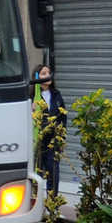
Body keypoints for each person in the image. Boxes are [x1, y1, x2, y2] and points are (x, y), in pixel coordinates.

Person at [32, 63, 66, 197]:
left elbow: (63, 118)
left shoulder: (57, 95)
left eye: (49, 73)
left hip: (53, 141)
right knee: (37, 173)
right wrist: (31, 110)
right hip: (38, 142)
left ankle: (52, 207)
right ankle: (36, 205)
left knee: (53, 173)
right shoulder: (32, 98)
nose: (48, 75)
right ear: (36, 77)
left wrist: (61, 139)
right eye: (43, 73)